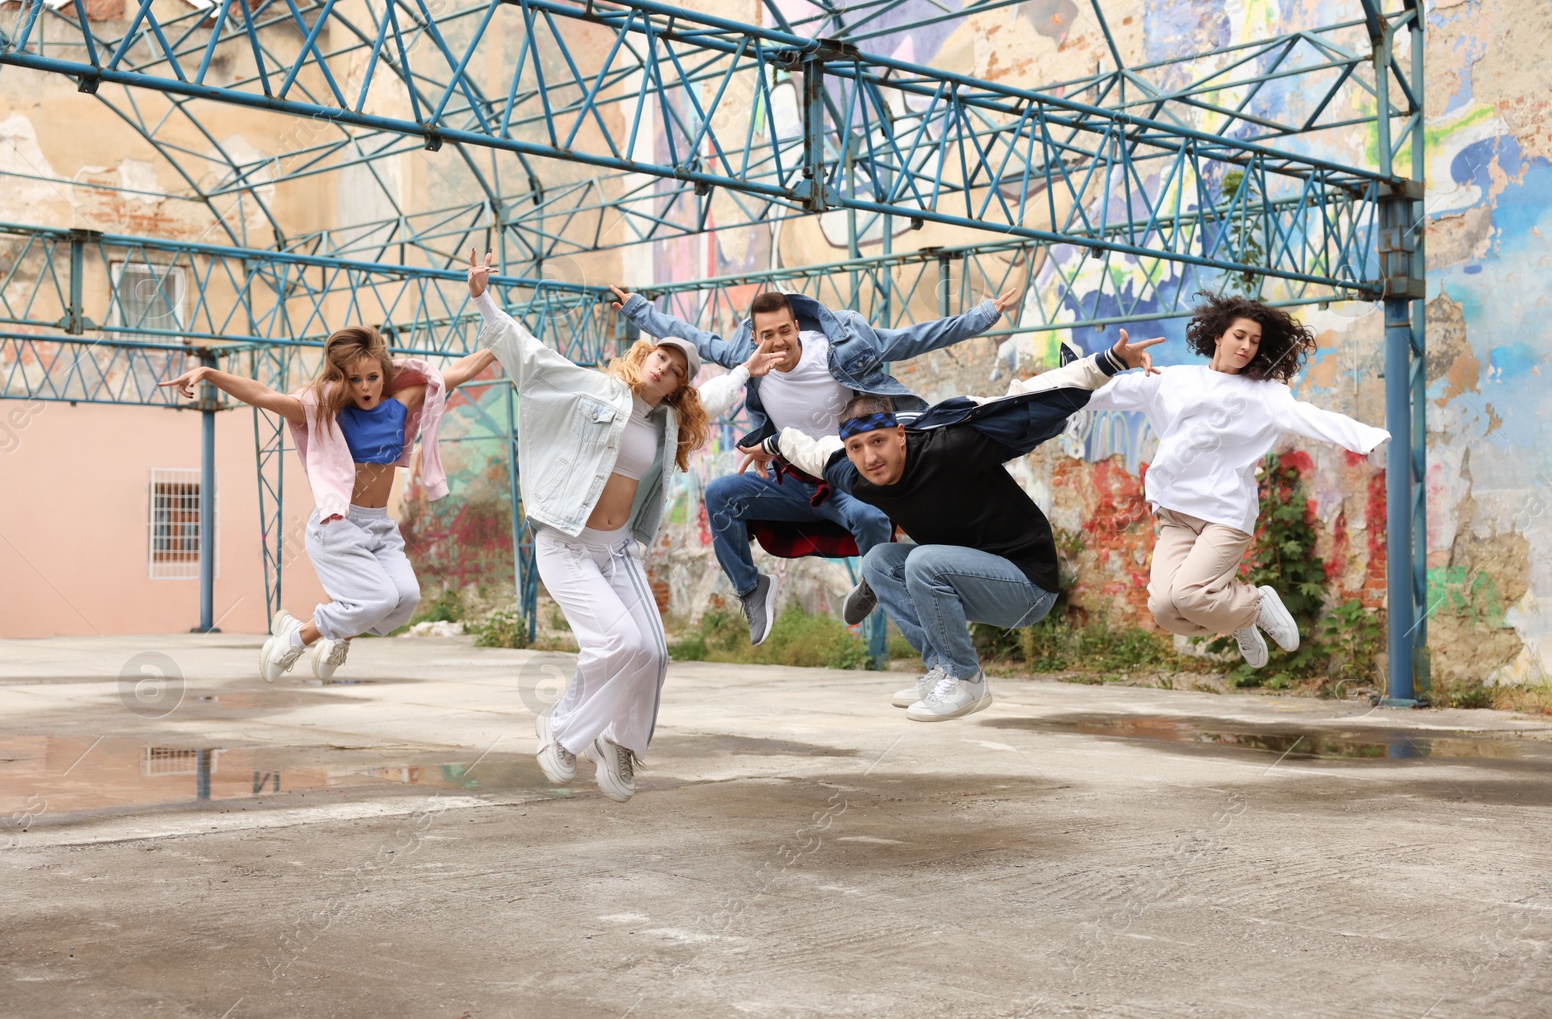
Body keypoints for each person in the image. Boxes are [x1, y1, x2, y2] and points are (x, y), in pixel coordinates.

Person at [472, 253, 778, 802]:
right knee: (618, 643)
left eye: (677, 369)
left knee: (653, 652)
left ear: (678, 387)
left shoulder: (667, 420)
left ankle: (618, 744)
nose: (665, 367)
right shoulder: (592, 389)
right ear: (645, 355)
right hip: (566, 543)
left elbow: (711, 398)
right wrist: (483, 298)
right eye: (661, 355)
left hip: (615, 552)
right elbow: (531, 357)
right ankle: (563, 729)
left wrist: (744, 372)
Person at [745, 325, 1164, 721]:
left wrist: (1106, 362)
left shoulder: (953, 446)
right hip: (967, 575)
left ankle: (967, 680)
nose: (870, 458)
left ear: (900, 436)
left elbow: (1020, 400)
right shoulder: (851, 472)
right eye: (857, 447)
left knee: (923, 561)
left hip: (1027, 584)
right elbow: (805, 448)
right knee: (878, 562)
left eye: (878, 442)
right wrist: (769, 444)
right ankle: (942, 670)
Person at [608, 282, 1023, 645]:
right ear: (755, 336)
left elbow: (915, 338)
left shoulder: (842, 348)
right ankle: (752, 589)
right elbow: (691, 336)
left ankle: (873, 581)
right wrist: (638, 310)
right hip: (794, 480)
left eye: (785, 331)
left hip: (845, 477)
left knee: (871, 517)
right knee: (720, 495)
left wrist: (984, 315)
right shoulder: (746, 358)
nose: (778, 343)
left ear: (796, 327)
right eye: (767, 334)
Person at [160, 325, 497, 682]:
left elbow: (458, 371)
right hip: (338, 525)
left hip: (379, 525)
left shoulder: (401, 402)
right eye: (355, 379)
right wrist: (210, 373)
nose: (365, 387)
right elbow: (261, 395)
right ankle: (296, 637)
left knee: (406, 599)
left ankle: (339, 633)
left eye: (372, 377)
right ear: (342, 379)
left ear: (385, 375)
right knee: (379, 599)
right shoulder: (322, 411)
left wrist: (503, 339)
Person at [1080, 291, 1390, 667]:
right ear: (1217, 337)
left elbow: (1315, 418)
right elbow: (1100, 394)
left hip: (1225, 515)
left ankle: (1253, 604)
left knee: (1191, 595)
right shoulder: (1170, 381)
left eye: (1255, 341)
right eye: (1239, 336)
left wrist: (1369, 438)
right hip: (1175, 513)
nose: (1246, 346)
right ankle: (1240, 617)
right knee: (1164, 608)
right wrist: (1055, 386)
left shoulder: (1265, 396)